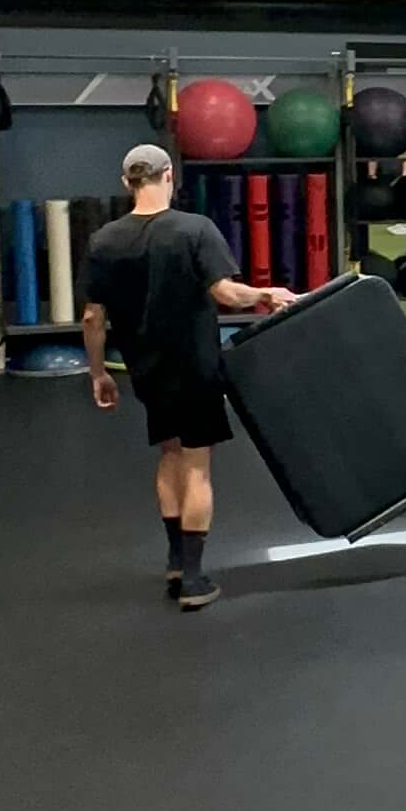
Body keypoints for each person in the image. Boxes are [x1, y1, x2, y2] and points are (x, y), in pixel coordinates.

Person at [80, 143, 295, 612]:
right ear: (168, 176)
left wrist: (98, 374)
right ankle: (194, 580)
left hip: (146, 367)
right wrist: (267, 294)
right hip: (195, 366)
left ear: (126, 183)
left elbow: (93, 318)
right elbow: (227, 293)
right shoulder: (195, 228)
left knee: (170, 454)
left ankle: (176, 562)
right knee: (197, 465)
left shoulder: (104, 241)